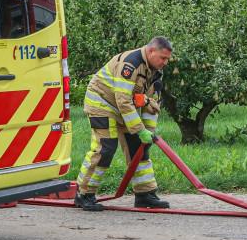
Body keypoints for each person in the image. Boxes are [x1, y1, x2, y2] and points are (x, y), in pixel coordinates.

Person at [75, 37, 175, 211]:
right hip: (102, 103)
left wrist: (147, 133)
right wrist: (139, 129)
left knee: (140, 148)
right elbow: (123, 101)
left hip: (122, 107)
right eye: (163, 58)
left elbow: (152, 105)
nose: (166, 63)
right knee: (105, 148)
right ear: (151, 51)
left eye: (167, 59)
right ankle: (84, 194)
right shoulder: (131, 63)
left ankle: (145, 194)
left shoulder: (156, 70)